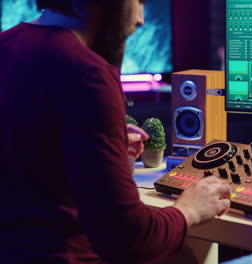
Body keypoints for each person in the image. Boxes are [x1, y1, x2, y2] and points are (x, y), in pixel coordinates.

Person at [0, 0, 231, 263]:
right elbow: (130, 238)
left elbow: (32, 153)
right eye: (138, 1)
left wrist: (100, 144)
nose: (141, 18)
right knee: (188, 256)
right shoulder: (87, 73)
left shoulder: (6, 45)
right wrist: (188, 210)